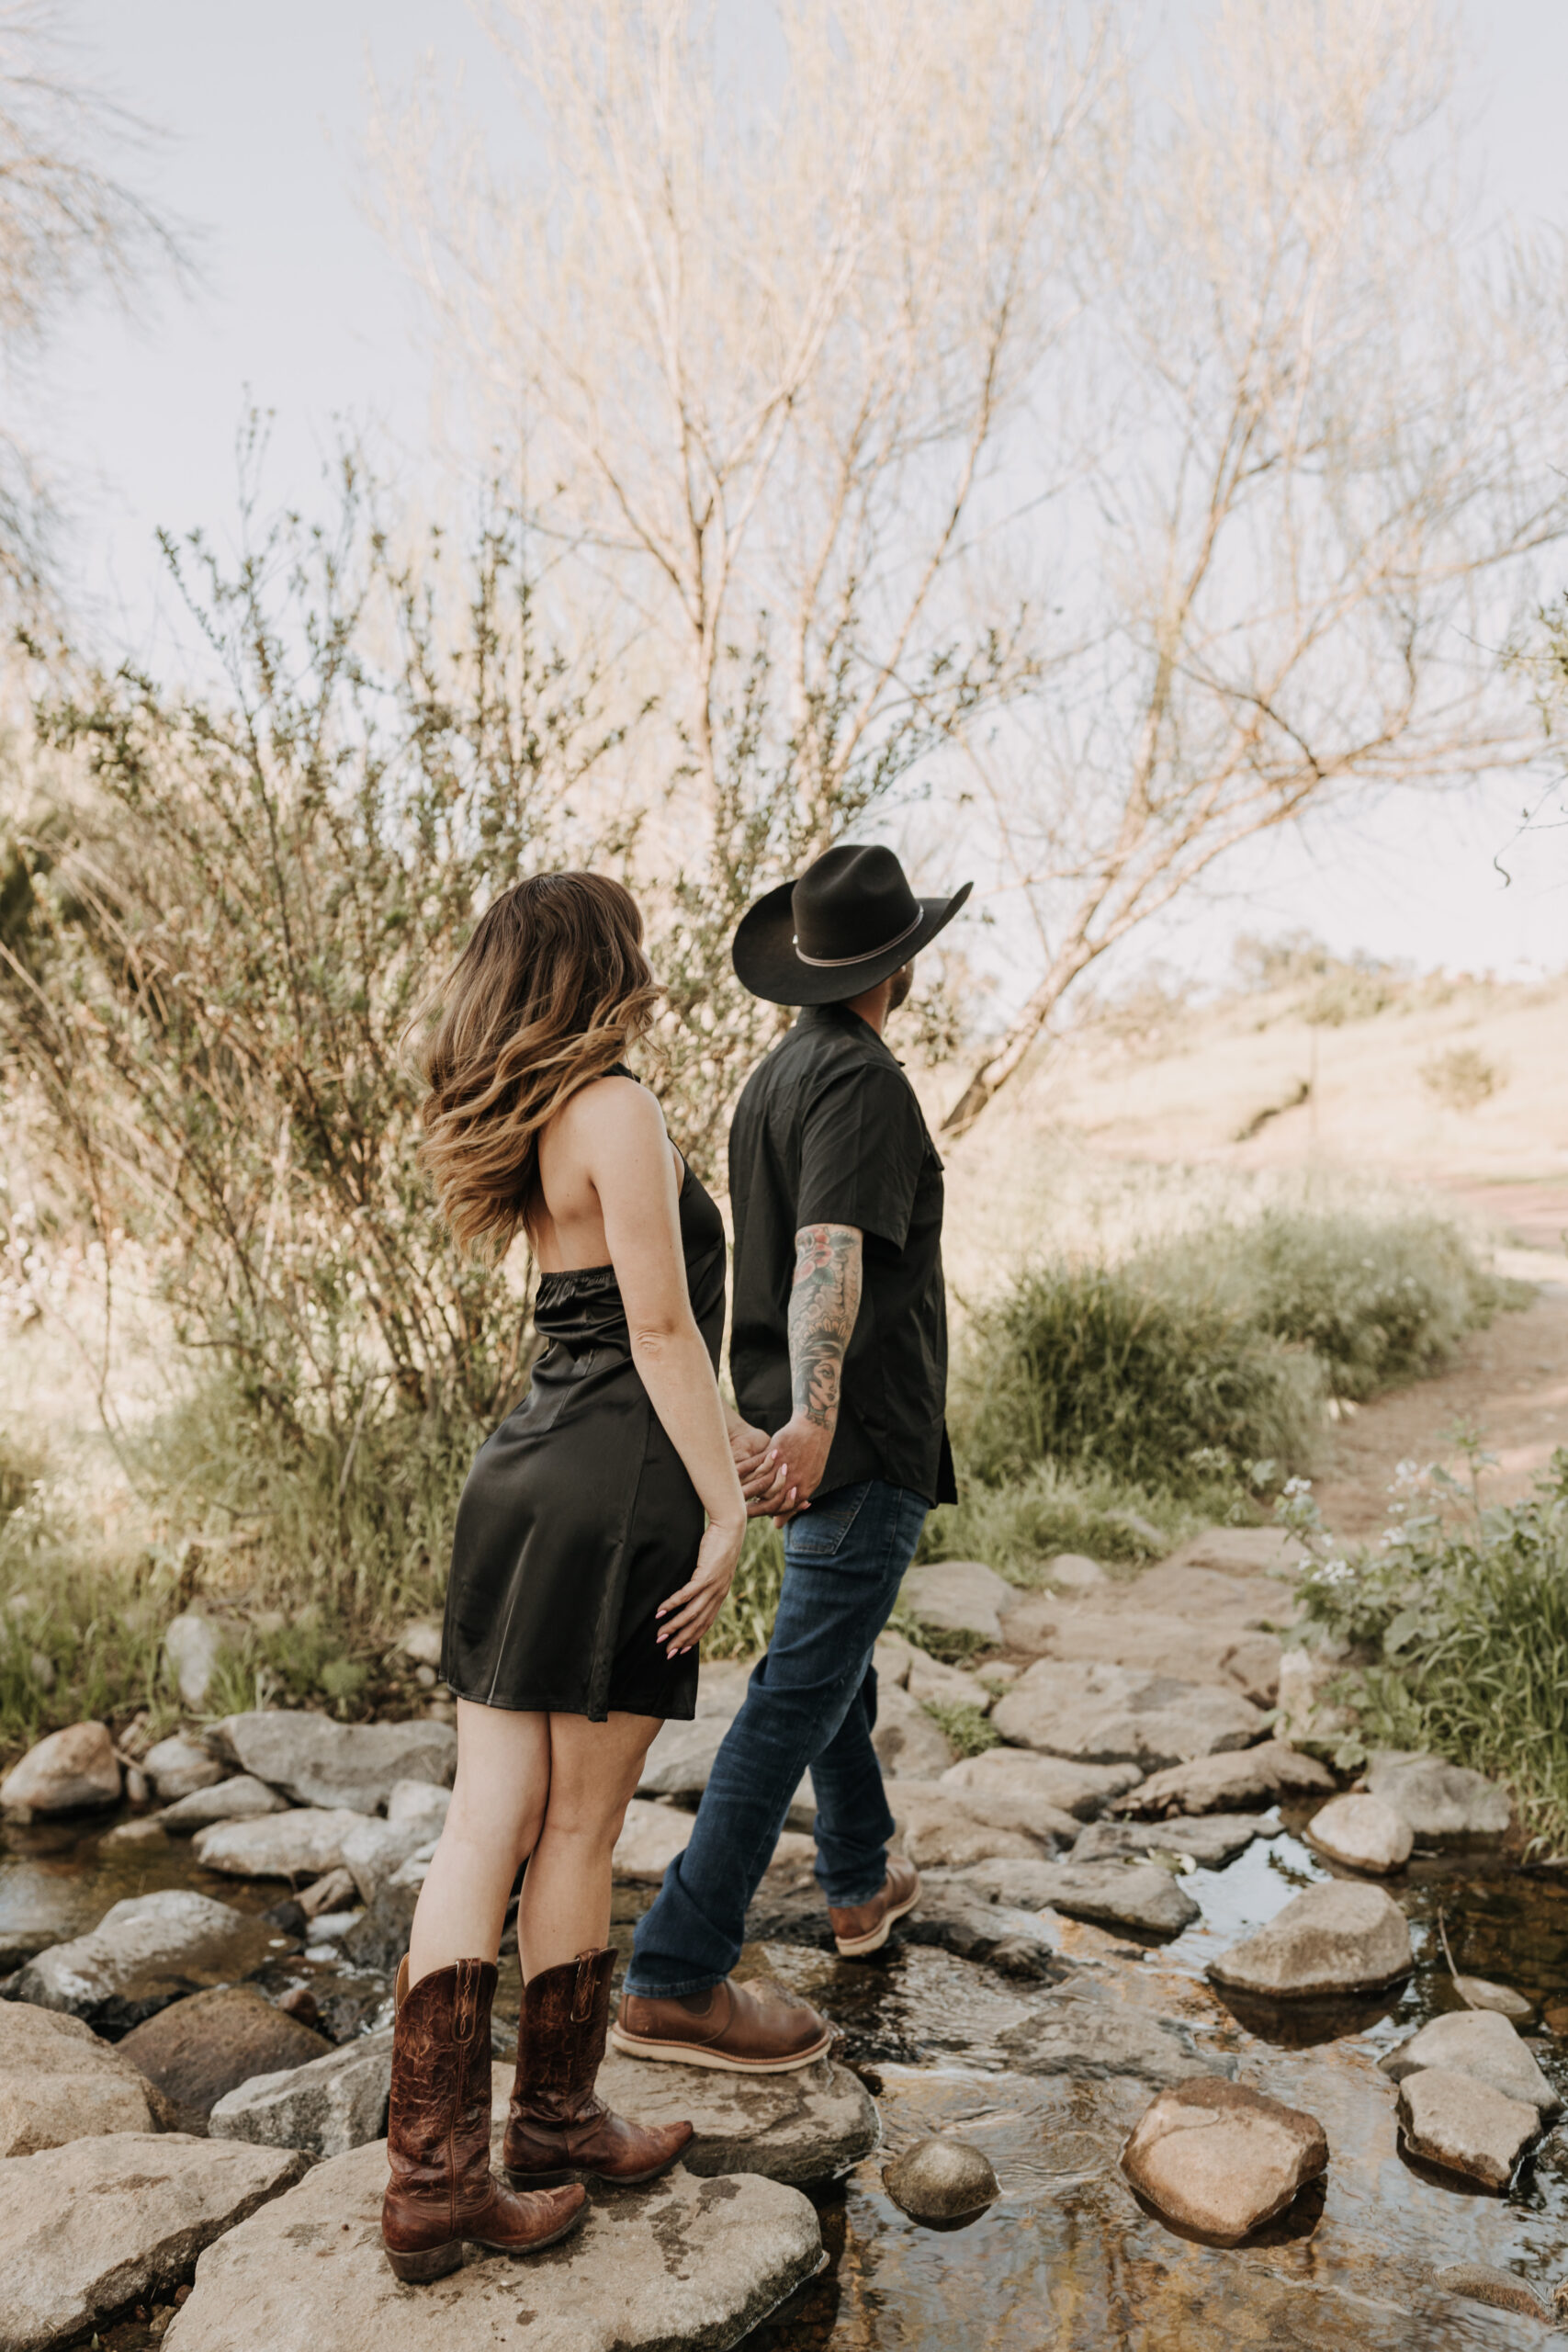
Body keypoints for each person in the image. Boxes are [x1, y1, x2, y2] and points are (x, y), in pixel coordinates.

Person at [381, 871, 784, 2284]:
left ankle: (446, 2177)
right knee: (573, 1834)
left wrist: (729, 1443)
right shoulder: (616, 1103)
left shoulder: (538, 1120)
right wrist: (728, 1511)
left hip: (523, 1480)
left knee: (485, 1823)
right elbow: (663, 1336)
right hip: (618, 1497)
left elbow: (591, 1330)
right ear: (596, 966)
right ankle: (544, 2122)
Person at [614, 842, 971, 2073]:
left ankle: (863, 1881)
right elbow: (827, 1252)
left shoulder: (774, 1078)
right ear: (898, 965)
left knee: (828, 1666)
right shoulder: (865, 1082)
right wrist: (818, 1424)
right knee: (796, 1693)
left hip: (791, 1430)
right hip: (852, 1441)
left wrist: (774, 1421)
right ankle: (673, 1969)